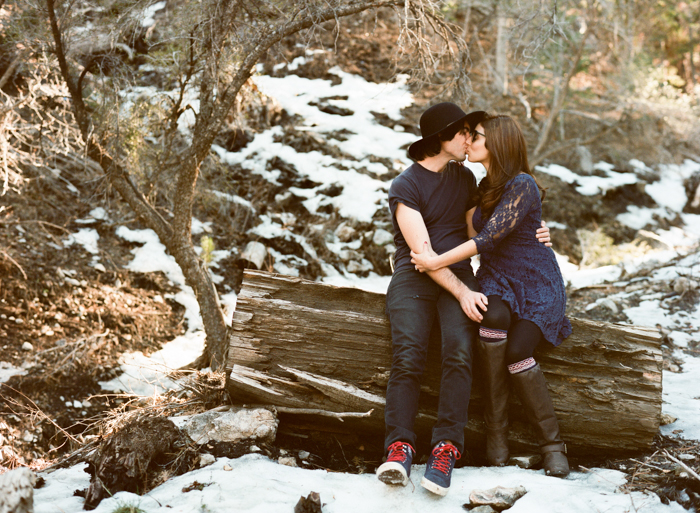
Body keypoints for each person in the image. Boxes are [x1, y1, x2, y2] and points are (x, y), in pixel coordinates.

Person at [376, 103, 551, 496]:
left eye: (473, 135)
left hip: (460, 276)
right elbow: (424, 258)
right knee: (408, 354)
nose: (469, 139)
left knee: (458, 351)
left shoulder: (464, 177)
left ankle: (446, 449)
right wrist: (464, 291)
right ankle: (399, 447)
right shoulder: (405, 186)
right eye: (463, 134)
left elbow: (485, 229)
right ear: (442, 139)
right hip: (415, 279)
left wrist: (536, 227)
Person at [410, 113, 572, 478]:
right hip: (498, 278)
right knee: (491, 322)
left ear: (497, 143)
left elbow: (485, 239)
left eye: (477, 136)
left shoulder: (523, 183)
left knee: (518, 351)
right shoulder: (482, 186)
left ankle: (552, 444)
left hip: (536, 283)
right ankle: (496, 433)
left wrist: (434, 261)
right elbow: (470, 232)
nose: (470, 141)